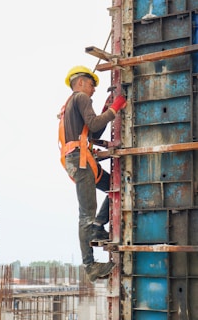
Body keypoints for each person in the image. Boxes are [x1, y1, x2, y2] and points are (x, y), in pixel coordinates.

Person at [58, 66, 126, 283]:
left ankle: (98, 227)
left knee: (115, 189)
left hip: (80, 160)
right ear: (79, 83)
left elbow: (93, 131)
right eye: (91, 83)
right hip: (81, 161)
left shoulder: (70, 104)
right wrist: (115, 109)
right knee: (86, 214)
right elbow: (96, 123)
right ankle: (90, 265)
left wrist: (107, 106)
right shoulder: (80, 97)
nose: (94, 89)